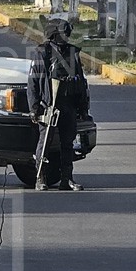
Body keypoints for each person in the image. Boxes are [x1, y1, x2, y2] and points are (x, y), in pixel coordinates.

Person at [26, 19, 90, 191]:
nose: (66, 37)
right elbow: (33, 82)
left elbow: (81, 81)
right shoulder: (43, 52)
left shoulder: (72, 52)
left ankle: (67, 179)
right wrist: (34, 108)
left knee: (67, 143)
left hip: (68, 104)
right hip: (49, 105)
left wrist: (83, 108)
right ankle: (41, 177)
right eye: (63, 33)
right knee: (44, 142)